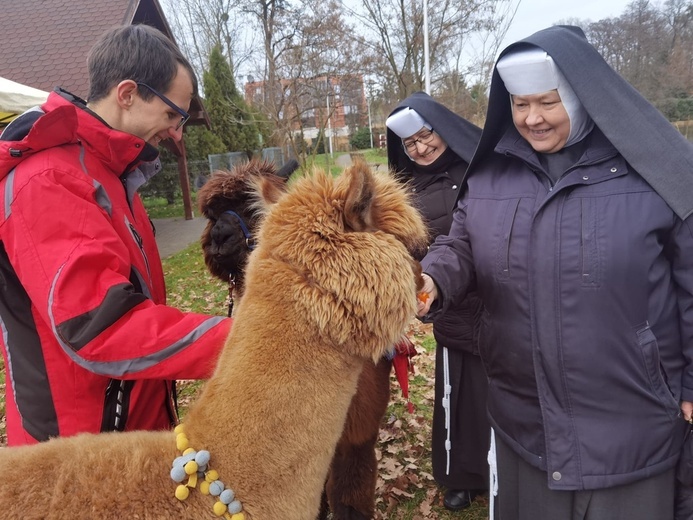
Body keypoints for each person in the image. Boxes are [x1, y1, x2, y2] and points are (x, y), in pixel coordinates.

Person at [417, 25, 693, 519]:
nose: (532, 118)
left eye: (547, 102)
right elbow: (460, 244)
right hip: (525, 421)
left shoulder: (654, 174)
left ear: (584, 98)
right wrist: (429, 280)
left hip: (631, 422)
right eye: (519, 104)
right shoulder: (491, 174)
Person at [0, 24, 232, 446]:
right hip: (78, 451)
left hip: (128, 431)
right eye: (171, 116)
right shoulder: (50, 180)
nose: (177, 134)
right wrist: (247, 341)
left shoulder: (112, 177)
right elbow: (103, 327)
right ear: (127, 94)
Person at [385, 92, 489, 511]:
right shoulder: (405, 190)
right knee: (458, 394)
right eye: (410, 144)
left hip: (499, 298)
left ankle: (503, 467)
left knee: (499, 390)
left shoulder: (480, 171)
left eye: (427, 136)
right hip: (450, 298)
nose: (421, 148)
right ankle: (461, 476)